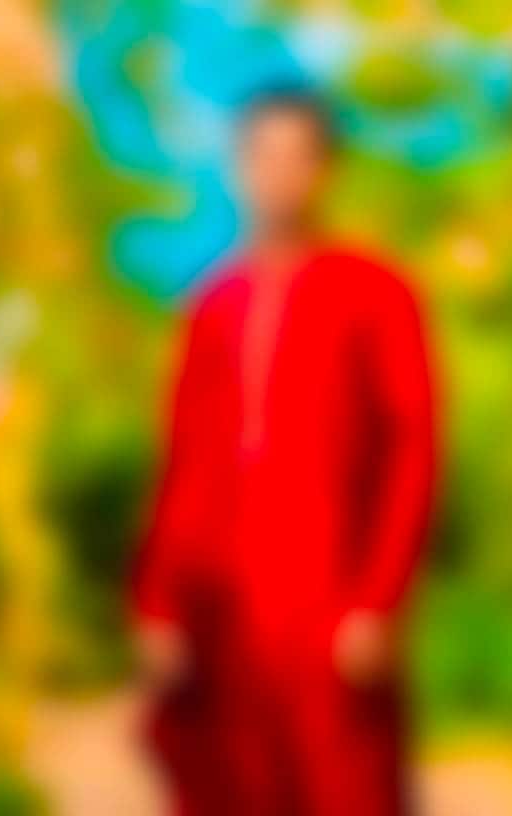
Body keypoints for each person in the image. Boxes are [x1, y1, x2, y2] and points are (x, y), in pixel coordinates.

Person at [131, 90, 436, 816]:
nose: (278, 174)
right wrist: (158, 599)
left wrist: (378, 597)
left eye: (297, 156)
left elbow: (412, 450)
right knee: (224, 786)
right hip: (223, 613)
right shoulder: (213, 304)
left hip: (327, 601)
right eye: (262, 155)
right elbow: (184, 463)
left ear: (326, 170)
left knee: (344, 787)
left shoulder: (375, 292)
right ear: (238, 168)